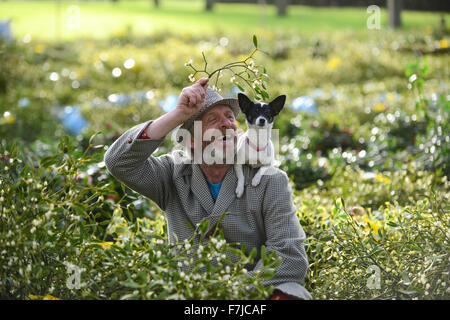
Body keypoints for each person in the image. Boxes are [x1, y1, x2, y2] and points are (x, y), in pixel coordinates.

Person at [104, 78, 312, 300]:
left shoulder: (270, 180)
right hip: (189, 297)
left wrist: (233, 294)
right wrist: (177, 116)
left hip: (252, 297)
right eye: (213, 119)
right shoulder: (172, 174)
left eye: (230, 118)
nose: (227, 124)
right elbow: (119, 162)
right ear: (191, 140)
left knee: (290, 294)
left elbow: (289, 256)